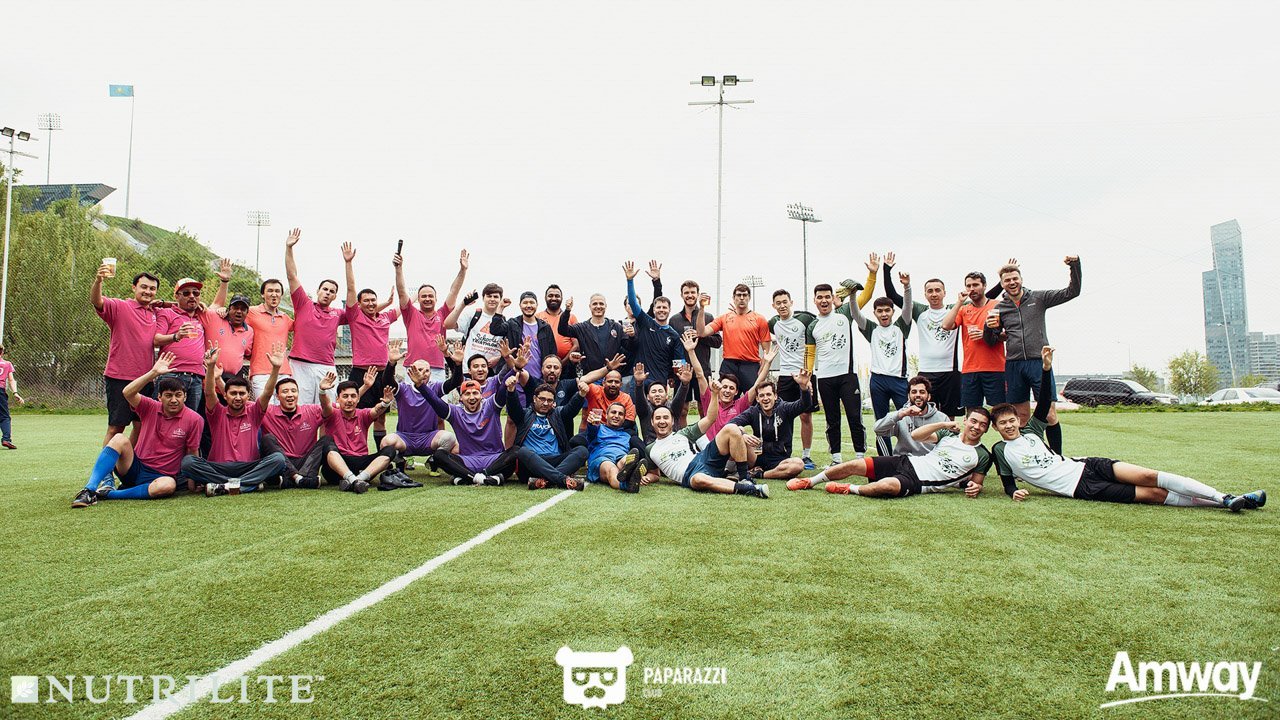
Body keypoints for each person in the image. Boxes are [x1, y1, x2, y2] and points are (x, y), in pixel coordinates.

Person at [992, 347, 1265, 511]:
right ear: (996, 428)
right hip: (1081, 487)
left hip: (1087, 464)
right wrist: (1012, 491)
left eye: (1012, 420)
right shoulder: (1000, 450)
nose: (1009, 425)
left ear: (1018, 420)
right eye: (1002, 423)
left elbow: (1043, 403)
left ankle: (1224, 497)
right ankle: (1223, 503)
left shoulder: (1032, 431)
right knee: (1154, 495)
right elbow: (1007, 481)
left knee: (1148, 475)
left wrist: (1046, 369)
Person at [71, 353, 203, 507]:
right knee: (119, 438)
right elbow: (127, 392)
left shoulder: (194, 419)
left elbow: (192, 451)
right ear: (159, 397)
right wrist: (153, 373)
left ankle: (108, 494)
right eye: (168, 395)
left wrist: (193, 481)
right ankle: (89, 490)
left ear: (185, 397)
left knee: (168, 486)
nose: (174, 400)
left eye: (178, 395)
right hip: (134, 467)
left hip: (161, 476)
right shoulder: (150, 407)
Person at [987, 256, 1082, 453]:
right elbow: (991, 340)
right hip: (1014, 365)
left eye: (1015, 278)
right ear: (1002, 284)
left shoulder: (1039, 298)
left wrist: (1075, 266)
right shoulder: (999, 308)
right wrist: (989, 328)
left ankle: (1057, 457)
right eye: (1007, 280)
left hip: (1039, 363)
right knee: (1020, 417)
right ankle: (1028, 456)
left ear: (1021, 279)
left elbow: (1072, 292)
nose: (1012, 282)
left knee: (1049, 414)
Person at [791, 408, 994, 498]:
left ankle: (849, 488)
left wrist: (975, 487)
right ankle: (811, 481)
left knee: (886, 486)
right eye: (973, 421)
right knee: (855, 464)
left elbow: (976, 482)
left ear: (986, 429)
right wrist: (943, 424)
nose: (976, 427)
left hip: (919, 482)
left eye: (982, 425)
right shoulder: (948, 435)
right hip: (907, 461)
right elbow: (916, 435)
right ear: (965, 421)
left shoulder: (982, 455)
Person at [179, 343, 288, 496]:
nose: (237, 397)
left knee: (278, 459)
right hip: (218, 467)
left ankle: (224, 486)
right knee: (188, 463)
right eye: (233, 393)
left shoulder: (254, 412)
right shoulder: (217, 413)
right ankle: (247, 484)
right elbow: (209, 393)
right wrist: (210, 368)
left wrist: (276, 368)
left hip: (248, 467)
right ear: (225, 395)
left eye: (241, 393)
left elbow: (268, 392)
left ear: (248, 396)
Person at [643, 392, 770, 499]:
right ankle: (750, 489)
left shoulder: (683, 434)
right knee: (698, 480)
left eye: (666, 417)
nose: (662, 421)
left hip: (704, 458)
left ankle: (744, 478)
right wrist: (647, 478)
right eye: (658, 418)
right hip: (690, 474)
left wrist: (714, 394)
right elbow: (655, 474)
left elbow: (710, 418)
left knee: (731, 428)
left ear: (672, 421)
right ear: (652, 422)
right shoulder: (650, 449)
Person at [881, 253, 962, 418]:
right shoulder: (919, 311)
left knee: (949, 416)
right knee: (924, 414)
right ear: (925, 294)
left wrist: (1001, 283)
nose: (934, 294)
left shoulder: (956, 309)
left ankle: (947, 436)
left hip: (950, 371)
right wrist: (886, 270)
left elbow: (983, 298)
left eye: (937, 290)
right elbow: (892, 296)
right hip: (926, 372)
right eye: (930, 291)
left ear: (944, 293)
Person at [91, 265, 162, 444]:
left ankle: (129, 460)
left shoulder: (155, 313)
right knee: (116, 427)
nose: (148, 291)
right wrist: (98, 280)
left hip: (145, 379)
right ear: (134, 288)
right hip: (120, 377)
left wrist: (164, 303)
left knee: (141, 425)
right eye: (144, 287)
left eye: (152, 288)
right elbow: (97, 301)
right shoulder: (120, 306)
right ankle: (106, 463)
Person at [848, 273, 914, 456]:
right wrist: (852, 295)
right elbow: (855, 314)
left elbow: (908, 307)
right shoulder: (872, 329)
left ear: (893, 311)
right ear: (875, 313)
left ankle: (909, 455)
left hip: (900, 380)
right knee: (881, 422)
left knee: (907, 420)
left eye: (887, 310)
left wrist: (907, 287)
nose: (884, 314)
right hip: (878, 381)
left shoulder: (902, 325)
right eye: (880, 311)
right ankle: (885, 458)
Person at [343, 242, 401, 447]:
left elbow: (404, 304)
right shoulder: (355, 316)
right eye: (366, 300)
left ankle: (381, 454)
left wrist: (400, 270)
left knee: (381, 416)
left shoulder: (385, 317)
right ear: (358, 304)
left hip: (383, 374)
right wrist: (348, 263)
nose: (370, 303)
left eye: (373, 300)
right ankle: (354, 452)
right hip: (361, 373)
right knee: (357, 416)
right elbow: (351, 288)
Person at [284, 228, 350, 404]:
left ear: (335, 296)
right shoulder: (303, 304)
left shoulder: (338, 314)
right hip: (300, 365)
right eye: (325, 289)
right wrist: (289, 248)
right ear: (318, 291)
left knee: (327, 409)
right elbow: (292, 276)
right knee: (302, 409)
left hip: (326, 366)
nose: (327, 293)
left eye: (332, 291)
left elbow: (362, 310)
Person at [418, 376, 518, 486]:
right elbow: (435, 401)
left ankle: (467, 477)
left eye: (475, 393)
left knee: (516, 451)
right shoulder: (455, 412)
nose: (471, 397)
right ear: (461, 398)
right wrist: (421, 386)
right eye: (467, 394)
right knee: (439, 455)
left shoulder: (491, 405)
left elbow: (502, 390)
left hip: (494, 459)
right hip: (468, 461)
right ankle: (489, 478)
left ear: (481, 396)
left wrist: (515, 370)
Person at [805, 282, 866, 465]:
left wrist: (868, 278)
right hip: (825, 378)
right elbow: (809, 354)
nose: (824, 300)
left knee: (854, 416)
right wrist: (807, 376)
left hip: (847, 375)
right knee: (832, 419)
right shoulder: (812, 326)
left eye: (827, 297)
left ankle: (860, 457)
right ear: (815, 300)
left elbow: (865, 297)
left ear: (833, 298)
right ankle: (836, 459)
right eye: (820, 297)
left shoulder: (844, 313)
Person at [320, 369, 402, 493]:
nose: (349, 400)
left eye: (353, 396)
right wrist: (322, 391)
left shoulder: (363, 414)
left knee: (390, 450)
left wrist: (385, 403)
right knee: (326, 442)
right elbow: (325, 405)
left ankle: (357, 480)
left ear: (358, 399)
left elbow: (376, 410)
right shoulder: (332, 414)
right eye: (345, 396)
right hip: (336, 468)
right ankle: (354, 480)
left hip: (361, 464)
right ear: (337, 399)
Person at [726, 370, 813, 481]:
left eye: (768, 394)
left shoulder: (785, 408)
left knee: (798, 465)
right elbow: (731, 424)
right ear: (757, 399)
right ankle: (732, 469)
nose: (765, 398)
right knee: (736, 433)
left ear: (775, 396)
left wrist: (803, 388)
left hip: (780, 460)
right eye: (761, 395)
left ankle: (760, 474)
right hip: (756, 457)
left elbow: (805, 405)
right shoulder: (752, 412)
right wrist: (742, 434)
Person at [505, 375, 589, 491]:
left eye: (549, 400)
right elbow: (513, 408)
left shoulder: (558, 414)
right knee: (522, 451)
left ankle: (544, 482)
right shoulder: (524, 415)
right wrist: (511, 391)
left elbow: (571, 409)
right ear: (534, 398)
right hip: (531, 464)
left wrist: (581, 395)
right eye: (542, 399)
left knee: (582, 451)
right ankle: (562, 479)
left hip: (555, 461)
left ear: (554, 402)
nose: (545, 403)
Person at [396, 248, 467, 383]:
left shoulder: (443, 313)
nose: (427, 298)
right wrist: (398, 269)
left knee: (436, 397)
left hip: (436, 369)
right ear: (418, 299)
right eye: (423, 296)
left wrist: (463, 270)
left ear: (436, 299)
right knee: (412, 397)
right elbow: (401, 292)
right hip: (413, 367)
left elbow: (454, 291)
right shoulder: (411, 313)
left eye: (430, 296)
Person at [942, 271, 1006, 414]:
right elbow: (946, 325)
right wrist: (959, 302)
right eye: (968, 286)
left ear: (984, 286)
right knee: (972, 413)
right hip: (970, 370)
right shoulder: (964, 309)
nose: (972, 289)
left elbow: (1008, 334)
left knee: (1000, 411)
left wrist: (986, 335)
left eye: (976, 285)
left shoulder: (997, 305)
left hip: (995, 368)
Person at [383, 360, 458, 480]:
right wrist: (391, 363)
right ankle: (399, 461)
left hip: (429, 438)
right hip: (405, 438)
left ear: (431, 373)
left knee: (449, 438)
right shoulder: (403, 389)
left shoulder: (435, 388)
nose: (423, 373)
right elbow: (388, 381)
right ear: (411, 373)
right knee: (386, 442)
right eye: (419, 370)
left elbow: (455, 382)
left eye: (427, 370)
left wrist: (456, 363)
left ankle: (434, 460)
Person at [155, 274, 219, 412]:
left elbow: (218, 305)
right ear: (176, 296)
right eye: (186, 293)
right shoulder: (167, 313)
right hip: (171, 373)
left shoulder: (201, 315)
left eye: (196, 293)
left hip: (196, 377)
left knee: (190, 419)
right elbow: (156, 339)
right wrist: (176, 336)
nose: (192, 296)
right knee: (164, 417)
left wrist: (225, 282)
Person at [694, 283, 771, 396]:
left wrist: (762, 370)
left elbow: (767, 351)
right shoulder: (724, 318)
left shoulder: (759, 319)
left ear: (749, 297)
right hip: (729, 364)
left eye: (744, 295)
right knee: (725, 399)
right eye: (738, 295)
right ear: (733, 298)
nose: (741, 298)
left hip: (750, 365)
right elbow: (701, 332)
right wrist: (701, 308)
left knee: (753, 400)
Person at [769, 289, 817, 468]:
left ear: (791, 302)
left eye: (785, 302)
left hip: (805, 374)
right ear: (773, 306)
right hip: (785, 375)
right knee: (783, 415)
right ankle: (782, 453)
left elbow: (820, 324)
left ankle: (806, 456)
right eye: (778, 303)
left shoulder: (804, 319)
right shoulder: (773, 323)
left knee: (805, 415)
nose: (782, 305)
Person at [260, 373, 335, 489]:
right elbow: (244, 404)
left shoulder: (311, 410)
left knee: (326, 440)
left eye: (293, 391)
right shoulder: (267, 412)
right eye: (285, 391)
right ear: (277, 396)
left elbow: (331, 408)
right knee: (267, 439)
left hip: (305, 462)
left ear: (298, 394)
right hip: (282, 462)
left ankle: (290, 480)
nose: (290, 394)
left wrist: (322, 391)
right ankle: (300, 479)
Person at [698, 344, 776, 449]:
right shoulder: (711, 400)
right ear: (719, 388)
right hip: (711, 449)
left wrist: (768, 363)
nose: (727, 391)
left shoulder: (740, 404)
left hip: (732, 449)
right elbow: (700, 375)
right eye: (724, 387)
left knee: (742, 433)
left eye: (731, 388)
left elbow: (757, 384)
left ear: (736, 392)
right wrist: (691, 351)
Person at [623, 262, 686, 387]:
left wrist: (676, 379)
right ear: (654, 309)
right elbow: (633, 303)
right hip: (639, 381)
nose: (661, 310)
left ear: (669, 310)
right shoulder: (645, 322)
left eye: (664, 307)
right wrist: (630, 281)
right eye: (658, 307)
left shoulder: (674, 335)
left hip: (659, 383)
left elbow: (679, 362)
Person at [666, 279, 721, 422]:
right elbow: (671, 349)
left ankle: (706, 436)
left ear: (697, 294)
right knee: (681, 409)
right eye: (686, 293)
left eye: (692, 292)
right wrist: (671, 373)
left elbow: (717, 342)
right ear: (681, 295)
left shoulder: (707, 317)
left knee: (704, 408)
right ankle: (683, 437)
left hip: (702, 371)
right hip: (681, 372)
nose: (689, 295)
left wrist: (700, 335)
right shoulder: (674, 320)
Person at [873, 376, 951, 457]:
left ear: (929, 397)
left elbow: (950, 445)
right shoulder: (902, 416)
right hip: (905, 460)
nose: (918, 395)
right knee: (873, 462)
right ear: (908, 396)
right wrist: (902, 414)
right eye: (914, 392)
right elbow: (878, 429)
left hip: (929, 461)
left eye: (922, 392)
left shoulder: (942, 418)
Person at [246, 277, 293, 401]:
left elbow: (304, 325)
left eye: (277, 291)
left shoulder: (285, 318)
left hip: (283, 372)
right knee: (265, 408)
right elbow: (233, 317)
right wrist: (222, 310)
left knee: (285, 409)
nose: (274, 294)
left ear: (281, 295)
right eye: (270, 291)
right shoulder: (251, 312)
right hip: (260, 372)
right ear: (262, 294)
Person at [582, 399, 644, 493]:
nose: (616, 416)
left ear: (624, 418)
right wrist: (591, 424)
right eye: (613, 412)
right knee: (612, 469)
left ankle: (632, 471)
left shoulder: (627, 435)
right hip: (602, 459)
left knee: (626, 460)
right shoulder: (598, 428)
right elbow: (591, 431)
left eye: (620, 414)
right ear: (606, 415)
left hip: (620, 457)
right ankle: (628, 485)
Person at [558, 294, 626, 377]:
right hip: (591, 377)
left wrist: (632, 336)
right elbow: (562, 330)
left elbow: (629, 346)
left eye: (601, 304)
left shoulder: (617, 327)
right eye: (595, 304)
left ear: (606, 306)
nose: (598, 306)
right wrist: (567, 311)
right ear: (590, 306)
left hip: (612, 378)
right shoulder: (582, 328)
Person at [447, 282, 510, 368]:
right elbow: (448, 325)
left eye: (495, 297)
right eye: (489, 296)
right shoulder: (473, 315)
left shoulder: (503, 321)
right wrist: (463, 304)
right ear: (483, 298)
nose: (492, 299)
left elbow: (506, 348)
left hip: (491, 371)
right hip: (469, 370)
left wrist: (498, 358)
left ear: (500, 299)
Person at [630, 361, 692, 444]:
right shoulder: (645, 411)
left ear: (666, 396)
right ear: (648, 397)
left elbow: (680, 398)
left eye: (660, 391)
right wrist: (639, 384)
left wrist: (685, 384)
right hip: (651, 447)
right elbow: (640, 400)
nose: (657, 394)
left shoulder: (673, 408)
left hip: (673, 445)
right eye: (653, 391)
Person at [203, 292, 255, 384]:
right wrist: (202, 304)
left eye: (243, 309)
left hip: (232, 382)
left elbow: (248, 353)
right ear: (229, 308)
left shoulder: (249, 332)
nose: (239, 311)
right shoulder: (215, 317)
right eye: (235, 308)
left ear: (247, 312)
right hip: (209, 377)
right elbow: (194, 310)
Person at [536, 284, 579, 375]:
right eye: (550, 295)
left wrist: (561, 363)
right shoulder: (537, 317)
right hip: (542, 367)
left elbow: (576, 345)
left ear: (561, 298)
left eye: (557, 296)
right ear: (545, 298)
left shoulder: (571, 317)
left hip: (567, 366)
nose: (554, 298)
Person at [0, 344, 26, 449]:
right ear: (2, 352)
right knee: (4, 417)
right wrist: (15, 393)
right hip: (0, 391)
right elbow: (11, 380)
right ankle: (6, 439)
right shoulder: (7, 364)